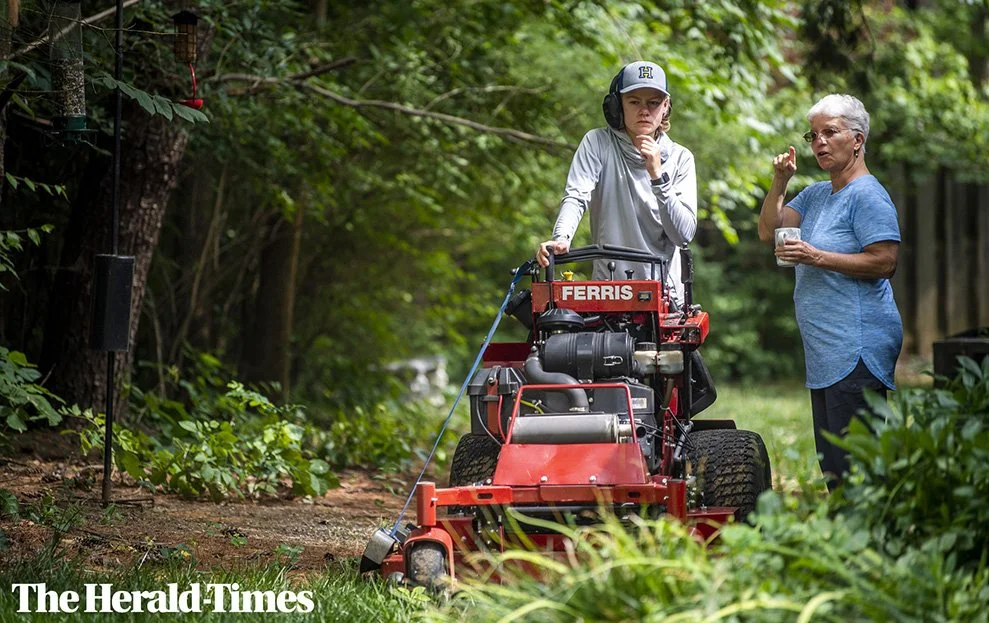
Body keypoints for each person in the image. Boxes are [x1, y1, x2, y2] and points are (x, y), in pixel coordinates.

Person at [759, 93, 902, 491]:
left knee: (854, 468)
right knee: (835, 466)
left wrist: (817, 256)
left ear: (857, 140)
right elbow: (769, 230)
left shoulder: (869, 196)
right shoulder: (819, 194)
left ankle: (868, 544)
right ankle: (848, 542)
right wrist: (780, 182)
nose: (819, 142)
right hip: (827, 350)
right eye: (813, 135)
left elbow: (884, 262)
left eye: (830, 132)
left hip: (857, 345)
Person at [536, 60, 697, 306]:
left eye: (653, 103)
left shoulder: (681, 158)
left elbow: (683, 235)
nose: (644, 110)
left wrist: (658, 176)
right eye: (634, 102)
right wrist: (561, 239)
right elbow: (577, 196)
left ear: (665, 107)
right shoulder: (597, 143)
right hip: (607, 292)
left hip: (665, 299)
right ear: (616, 106)